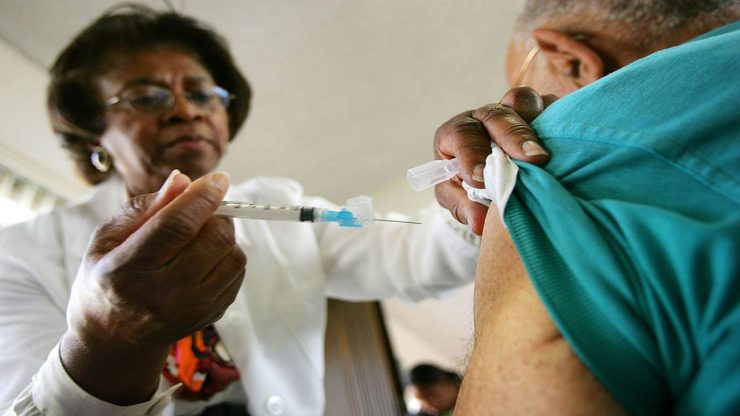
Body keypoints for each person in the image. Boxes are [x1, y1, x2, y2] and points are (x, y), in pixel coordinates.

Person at [0, 4, 536, 416]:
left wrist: (477, 186)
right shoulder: (19, 255)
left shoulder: (283, 205)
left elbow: (416, 258)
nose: (187, 110)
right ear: (93, 133)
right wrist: (108, 341)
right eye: (147, 97)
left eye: (204, 94)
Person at [431, 1, 740, 414]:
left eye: (522, 84)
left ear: (570, 59)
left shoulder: (555, 159)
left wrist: (508, 172)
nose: (526, 113)